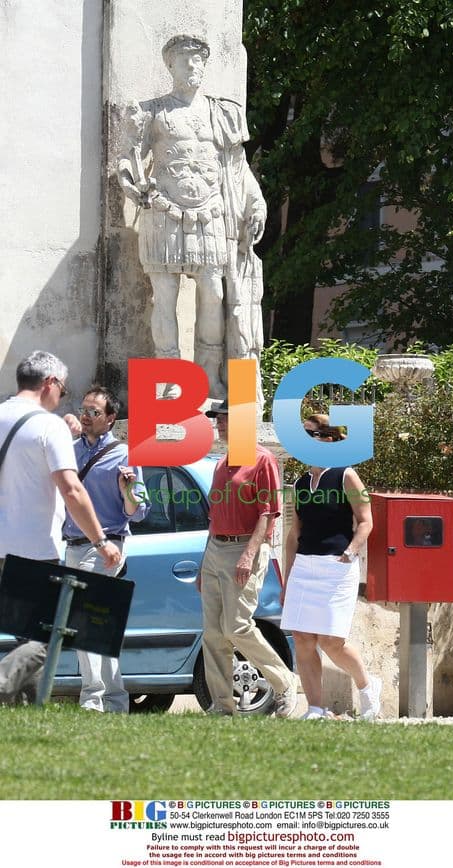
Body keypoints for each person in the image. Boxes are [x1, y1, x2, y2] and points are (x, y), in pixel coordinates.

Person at [117, 34, 267, 402]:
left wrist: (257, 203)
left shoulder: (222, 113)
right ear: (170, 66)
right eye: (185, 60)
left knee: (214, 294)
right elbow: (128, 160)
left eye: (198, 60)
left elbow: (237, 168)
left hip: (213, 214)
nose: (193, 66)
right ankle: (169, 381)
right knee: (164, 297)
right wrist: (135, 186)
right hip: (165, 213)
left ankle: (208, 378)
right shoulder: (151, 111)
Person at [0, 352, 121, 705]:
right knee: (50, 634)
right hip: (33, 550)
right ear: (50, 383)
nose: (62, 399)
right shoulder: (47, 425)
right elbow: (71, 489)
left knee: (28, 636)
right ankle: (4, 680)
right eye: (64, 391)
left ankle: (25, 711)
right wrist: (101, 541)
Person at [198, 399, 297, 716]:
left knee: (237, 627)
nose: (219, 424)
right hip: (216, 550)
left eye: (224, 419)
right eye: (218, 419)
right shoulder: (221, 462)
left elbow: (269, 514)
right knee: (213, 633)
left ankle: (284, 683)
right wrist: (205, 563)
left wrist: (249, 554)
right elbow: (215, 518)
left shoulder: (263, 460)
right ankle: (222, 705)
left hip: (245, 549)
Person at [281, 413, 381, 720]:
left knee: (331, 642)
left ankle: (367, 686)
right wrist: (287, 580)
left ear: (328, 439)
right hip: (304, 568)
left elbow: (366, 521)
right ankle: (315, 708)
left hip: (337, 568)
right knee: (302, 638)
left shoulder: (346, 475)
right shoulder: (299, 484)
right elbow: (294, 535)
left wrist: (350, 553)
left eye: (310, 434)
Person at [62, 385, 150, 713]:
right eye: (84, 409)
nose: (86, 416)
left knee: (83, 618)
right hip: (72, 545)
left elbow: (138, 511)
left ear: (111, 419)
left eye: (94, 412)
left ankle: (92, 699)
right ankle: (115, 701)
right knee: (100, 624)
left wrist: (128, 490)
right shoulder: (69, 451)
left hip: (107, 546)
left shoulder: (124, 455)